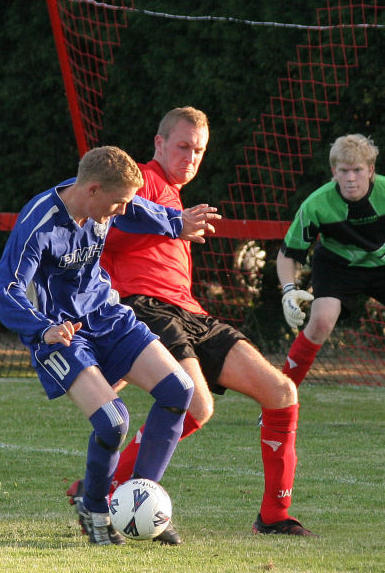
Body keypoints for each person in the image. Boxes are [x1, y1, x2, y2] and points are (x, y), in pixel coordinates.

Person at [67, 107, 316, 539]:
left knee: (281, 392)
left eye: (199, 150)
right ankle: (108, 491)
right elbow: (108, 221)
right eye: (183, 146)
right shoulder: (138, 180)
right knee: (196, 404)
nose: (191, 157)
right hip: (145, 307)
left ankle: (274, 517)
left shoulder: (176, 195)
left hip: (191, 313)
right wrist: (169, 223)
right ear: (159, 143)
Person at [0, 145, 220, 546]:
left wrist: (175, 221)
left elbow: (133, 208)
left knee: (179, 390)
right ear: (93, 190)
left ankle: (139, 501)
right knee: (113, 422)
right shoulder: (40, 223)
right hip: (61, 333)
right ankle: (94, 506)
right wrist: (41, 328)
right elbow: (5, 288)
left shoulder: (106, 201)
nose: (119, 212)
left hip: (106, 316)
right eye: (115, 203)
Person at [278, 133, 385, 386]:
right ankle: (278, 399)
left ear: (370, 170)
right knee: (322, 321)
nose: (350, 178)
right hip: (336, 265)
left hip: (381, 264)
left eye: (357, 170)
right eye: (344, 171)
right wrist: (288, 291)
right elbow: (288, 253)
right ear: (333, 171)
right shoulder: (315, 204)